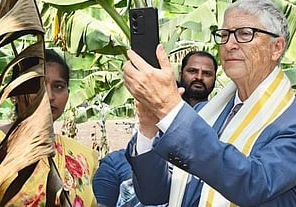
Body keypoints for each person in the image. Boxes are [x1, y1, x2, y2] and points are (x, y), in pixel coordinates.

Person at [122, 0, 296, 206]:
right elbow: (154, 195)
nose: (230, 44)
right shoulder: (204, 113)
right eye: (224, 34)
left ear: (276, 47)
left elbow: (253, 183)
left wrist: (169, 108)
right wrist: (148, 125)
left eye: (244, 34)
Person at [0, 49, 99, 206]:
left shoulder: (81, 155)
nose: (49, 95)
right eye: (37, 85)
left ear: (68, 94)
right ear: (14, 93)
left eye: (58, 86)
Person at [93, 51, 217, 207]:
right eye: (192, 71)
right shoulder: (116, 163)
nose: (199, 77)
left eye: (206, 73)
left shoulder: (216, 148)